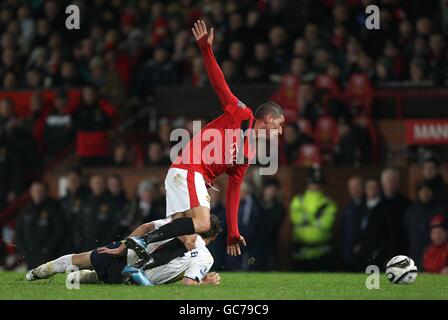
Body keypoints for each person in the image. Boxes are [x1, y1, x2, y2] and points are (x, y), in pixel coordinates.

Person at [124, 21, 284, 266]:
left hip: (187, 176)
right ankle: (143, 242)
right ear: (269, 118)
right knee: (203, 223)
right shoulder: (242, 115)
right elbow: (220, 84)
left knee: (184, 238)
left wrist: (233, 231)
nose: (280, 131)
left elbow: (233, 192)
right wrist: (206, 50)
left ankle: (132, 266)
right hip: (190, 170)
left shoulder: (248, 152)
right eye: (280, 124)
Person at [26, 215, 223, 286]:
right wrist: (203, 282)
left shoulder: (179, 226)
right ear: (212, 237)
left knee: (81, 259)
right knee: (103, 278)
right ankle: (85, 277)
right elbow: (188, 283)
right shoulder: (206, 257)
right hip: (131, 278)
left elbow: (146, 227)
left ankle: (38, 272)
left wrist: (122, 246)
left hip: (125, 253)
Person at [290, 166, 337, 271]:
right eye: (313, 182)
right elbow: (297, 219)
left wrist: (307, 215)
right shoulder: (298, 200)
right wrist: (316, 216)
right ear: (308, 183)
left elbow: (326, 224)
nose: (315, 186)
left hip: (322, 255)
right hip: (300, 253)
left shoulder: (329, 204)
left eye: (318, 183)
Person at [16, 181, 65, 269]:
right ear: (31, 192)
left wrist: (48, 248)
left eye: (40, 191)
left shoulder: (53, 208)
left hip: (48, 255)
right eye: (35, 191)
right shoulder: (26, 210)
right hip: (29, 254)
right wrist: (23, 250)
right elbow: (18, 232)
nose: (37, 193)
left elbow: (60, 230)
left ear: (44, 192)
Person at [404, 182, 447, 268]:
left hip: (437, 253)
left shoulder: (441, 210)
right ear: (418, 193)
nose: (425, 193)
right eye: (422, 191)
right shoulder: (411, 211)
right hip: (415, 253)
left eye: (427, 190)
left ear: (432, 192)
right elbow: (406, 231)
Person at [353, 179, 389, 270]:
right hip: (362, 253)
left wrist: (381, 249)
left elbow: (388, 233)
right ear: (365, 190)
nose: (372, 190)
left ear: (379, 189)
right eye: (369, 187)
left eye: (374, 187)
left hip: (378, 253)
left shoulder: (385, 207)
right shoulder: (360, 207)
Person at [254, 178, 286, 271]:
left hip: (271, 245)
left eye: (274, 190)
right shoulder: (256, 205)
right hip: (256, 246)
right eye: (269, 189)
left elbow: (272, 225)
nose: (271, 192)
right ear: (264, 190)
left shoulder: (279, 208)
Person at [380, 167, 411, 259]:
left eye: (394, 180)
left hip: (401, 249)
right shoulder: (376, 204)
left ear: (398, 183)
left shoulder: (407, 204)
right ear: (383, 183)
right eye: (388, 180)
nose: (391, 183)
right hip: (380, 252)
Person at [339, 176, 365, 271]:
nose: (354, 190)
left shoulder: (368, 206)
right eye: (351, 187)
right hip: (347, 252)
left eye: (357, 187)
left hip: (362, 253)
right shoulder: (348, 207)